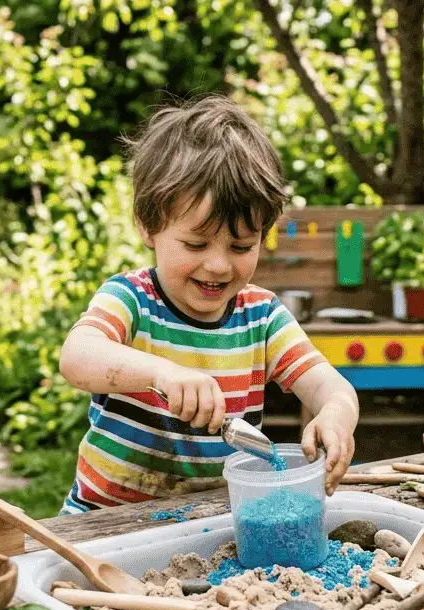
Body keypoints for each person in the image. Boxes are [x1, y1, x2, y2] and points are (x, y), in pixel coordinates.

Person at [57, 95, 359, 515]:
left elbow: (331, 386)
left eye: (240, 246)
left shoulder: (263, 318)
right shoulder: (133, 300)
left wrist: (337, 415)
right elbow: (77, 356)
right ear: (148, 226)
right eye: (195, 243)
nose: (217, 265)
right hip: (104, 524)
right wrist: (162, 372)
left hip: (211, 525)